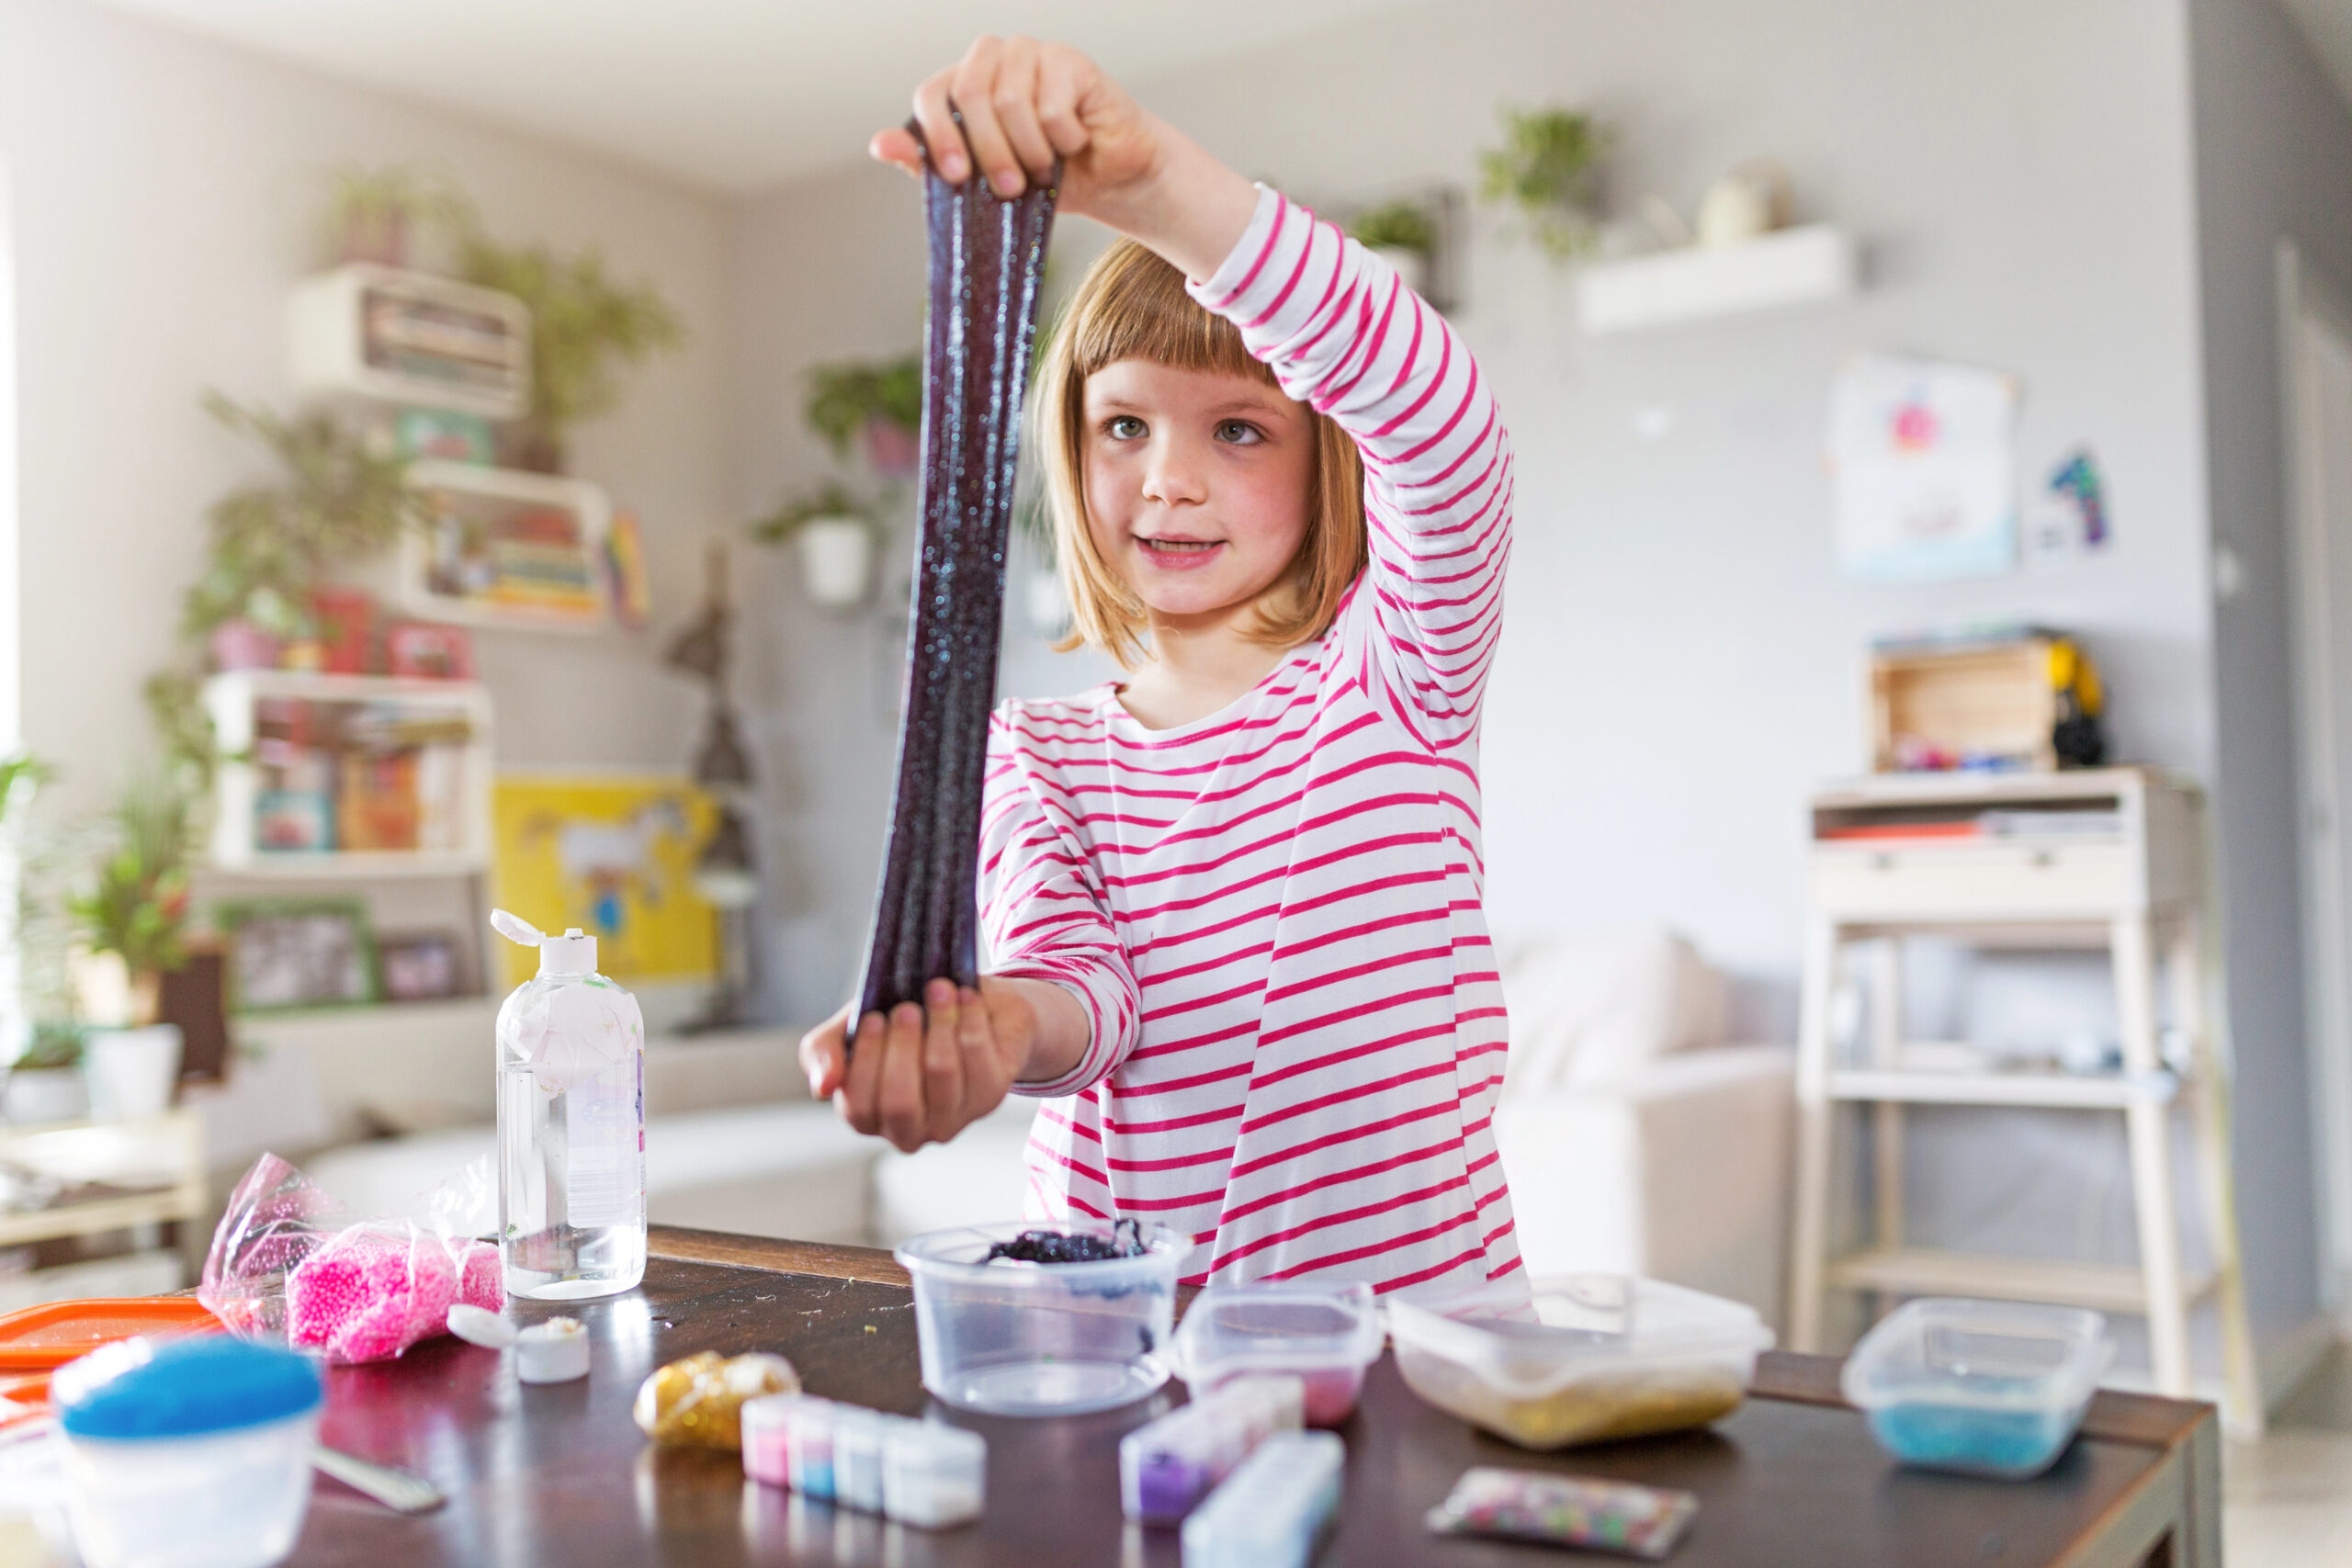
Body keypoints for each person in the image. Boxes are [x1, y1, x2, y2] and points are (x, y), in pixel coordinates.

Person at [801, 37, 1517, 1292]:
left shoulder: (1400, 671)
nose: (1169, 478)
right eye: (1124, 425)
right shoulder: (1041, 750)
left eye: (1238, 429)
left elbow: (1447, 432)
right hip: (1128, 1340)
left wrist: (1159, 192)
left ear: (1326, 459)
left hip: (1415, 1342)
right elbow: (1084, 990)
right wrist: (999, 1030)